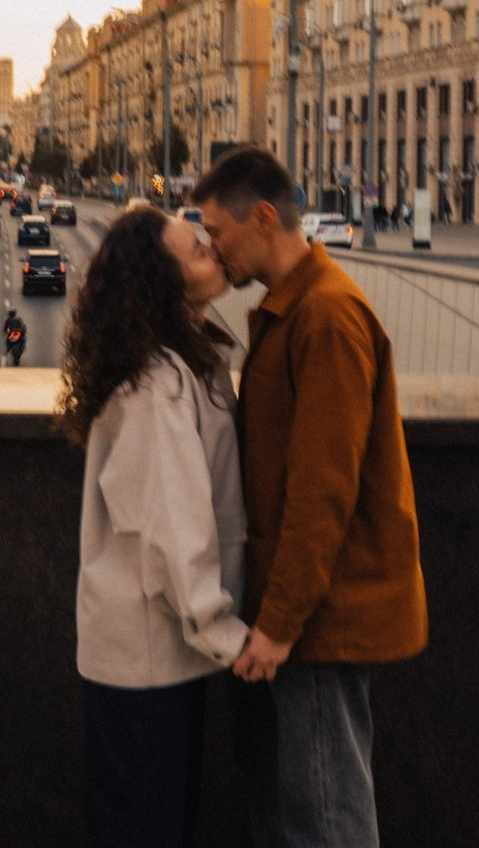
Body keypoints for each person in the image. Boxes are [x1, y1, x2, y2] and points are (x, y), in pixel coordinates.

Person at [192, 146, 427, 848]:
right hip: (298, 615)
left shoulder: (326, 316)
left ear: (263, 218)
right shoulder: (294, 309)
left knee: (328, 820)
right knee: (292, 811)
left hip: (322, 622)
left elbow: (322, 493)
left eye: (217, 233)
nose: (213, 249)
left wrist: (281, 624)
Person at [59, 206, 248, 848]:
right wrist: (225, 633)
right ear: (160, 284)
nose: (214, 254)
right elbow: (173, 526)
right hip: (148, 665)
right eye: (197, 251)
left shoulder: (182, 363)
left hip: (164, 655)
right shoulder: (155, 386)